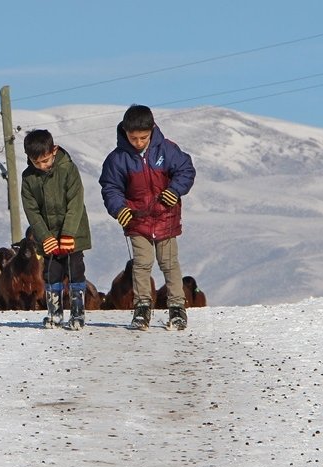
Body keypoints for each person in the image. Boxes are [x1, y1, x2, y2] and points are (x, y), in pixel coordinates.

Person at [99, 104, 196, 330]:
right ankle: (142, 307)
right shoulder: (117, 159)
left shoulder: (167, 150)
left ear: (152, 129)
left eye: (143, 137)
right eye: (134, 138)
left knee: (169, 263)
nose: (139, 142)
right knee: (141, 264)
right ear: (125, 132)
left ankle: (177, 307)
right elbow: (110, 187)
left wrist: (174, 190)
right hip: (137, 220)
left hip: (165, 217)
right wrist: (118, 208)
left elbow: (186, 170)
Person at [20, 128, 93, 330]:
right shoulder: (28, 178)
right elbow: (32, 211)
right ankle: (55, 313)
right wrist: (45, 237)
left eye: (45, 161)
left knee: (76, 271)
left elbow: (75, 203)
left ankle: (77, 314)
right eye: (37, 163)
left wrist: (69, 233)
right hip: (49, 236)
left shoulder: (69, 169)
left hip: (74, 234)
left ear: (54, 150)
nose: (42, 166)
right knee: (51, 273)